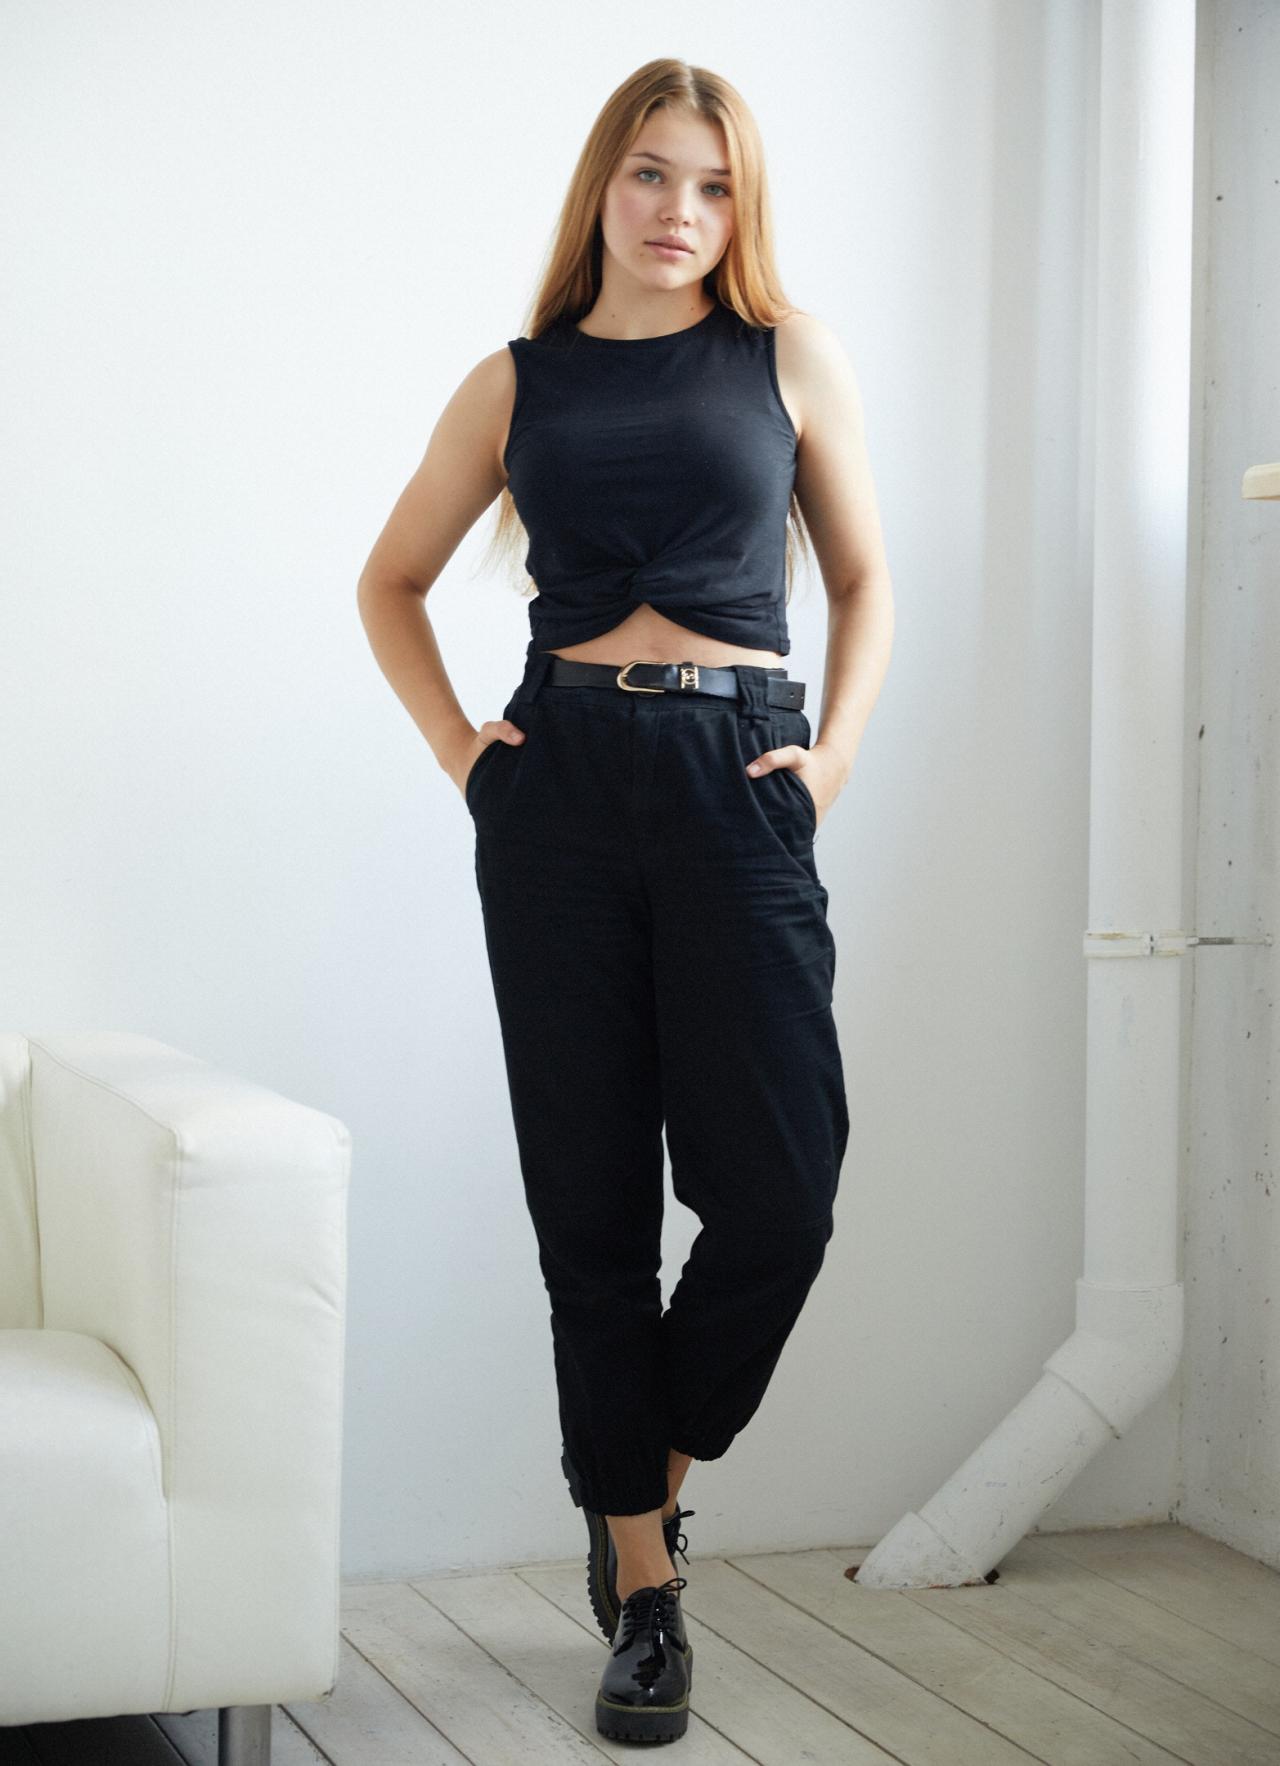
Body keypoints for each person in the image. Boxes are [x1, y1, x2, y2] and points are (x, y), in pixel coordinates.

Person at [357, 56, 894, 1745]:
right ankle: (647, 1594)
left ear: (744, 208)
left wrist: (832, 757)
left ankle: (634, 1478)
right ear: (605, 183)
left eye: (715, 185)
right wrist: (468, 755)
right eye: (654, 173)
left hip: (741, 774)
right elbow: (390, 580)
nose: (681, 210)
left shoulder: (786, 357)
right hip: (563, 793)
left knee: (781, 1196)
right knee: (588, 1208)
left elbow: (864, 576)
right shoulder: (515, 383)